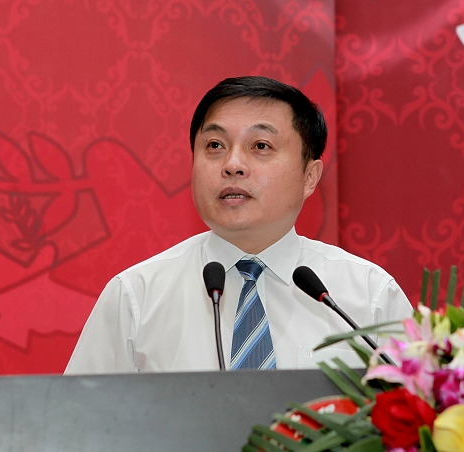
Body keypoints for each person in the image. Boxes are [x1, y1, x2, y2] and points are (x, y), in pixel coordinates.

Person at [65, 76, 413, 374]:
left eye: (261, 146)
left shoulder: (369, 298)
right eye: (215, 145)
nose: (232, 164)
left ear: (310, 176)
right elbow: (79, 421)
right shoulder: (136, 296)